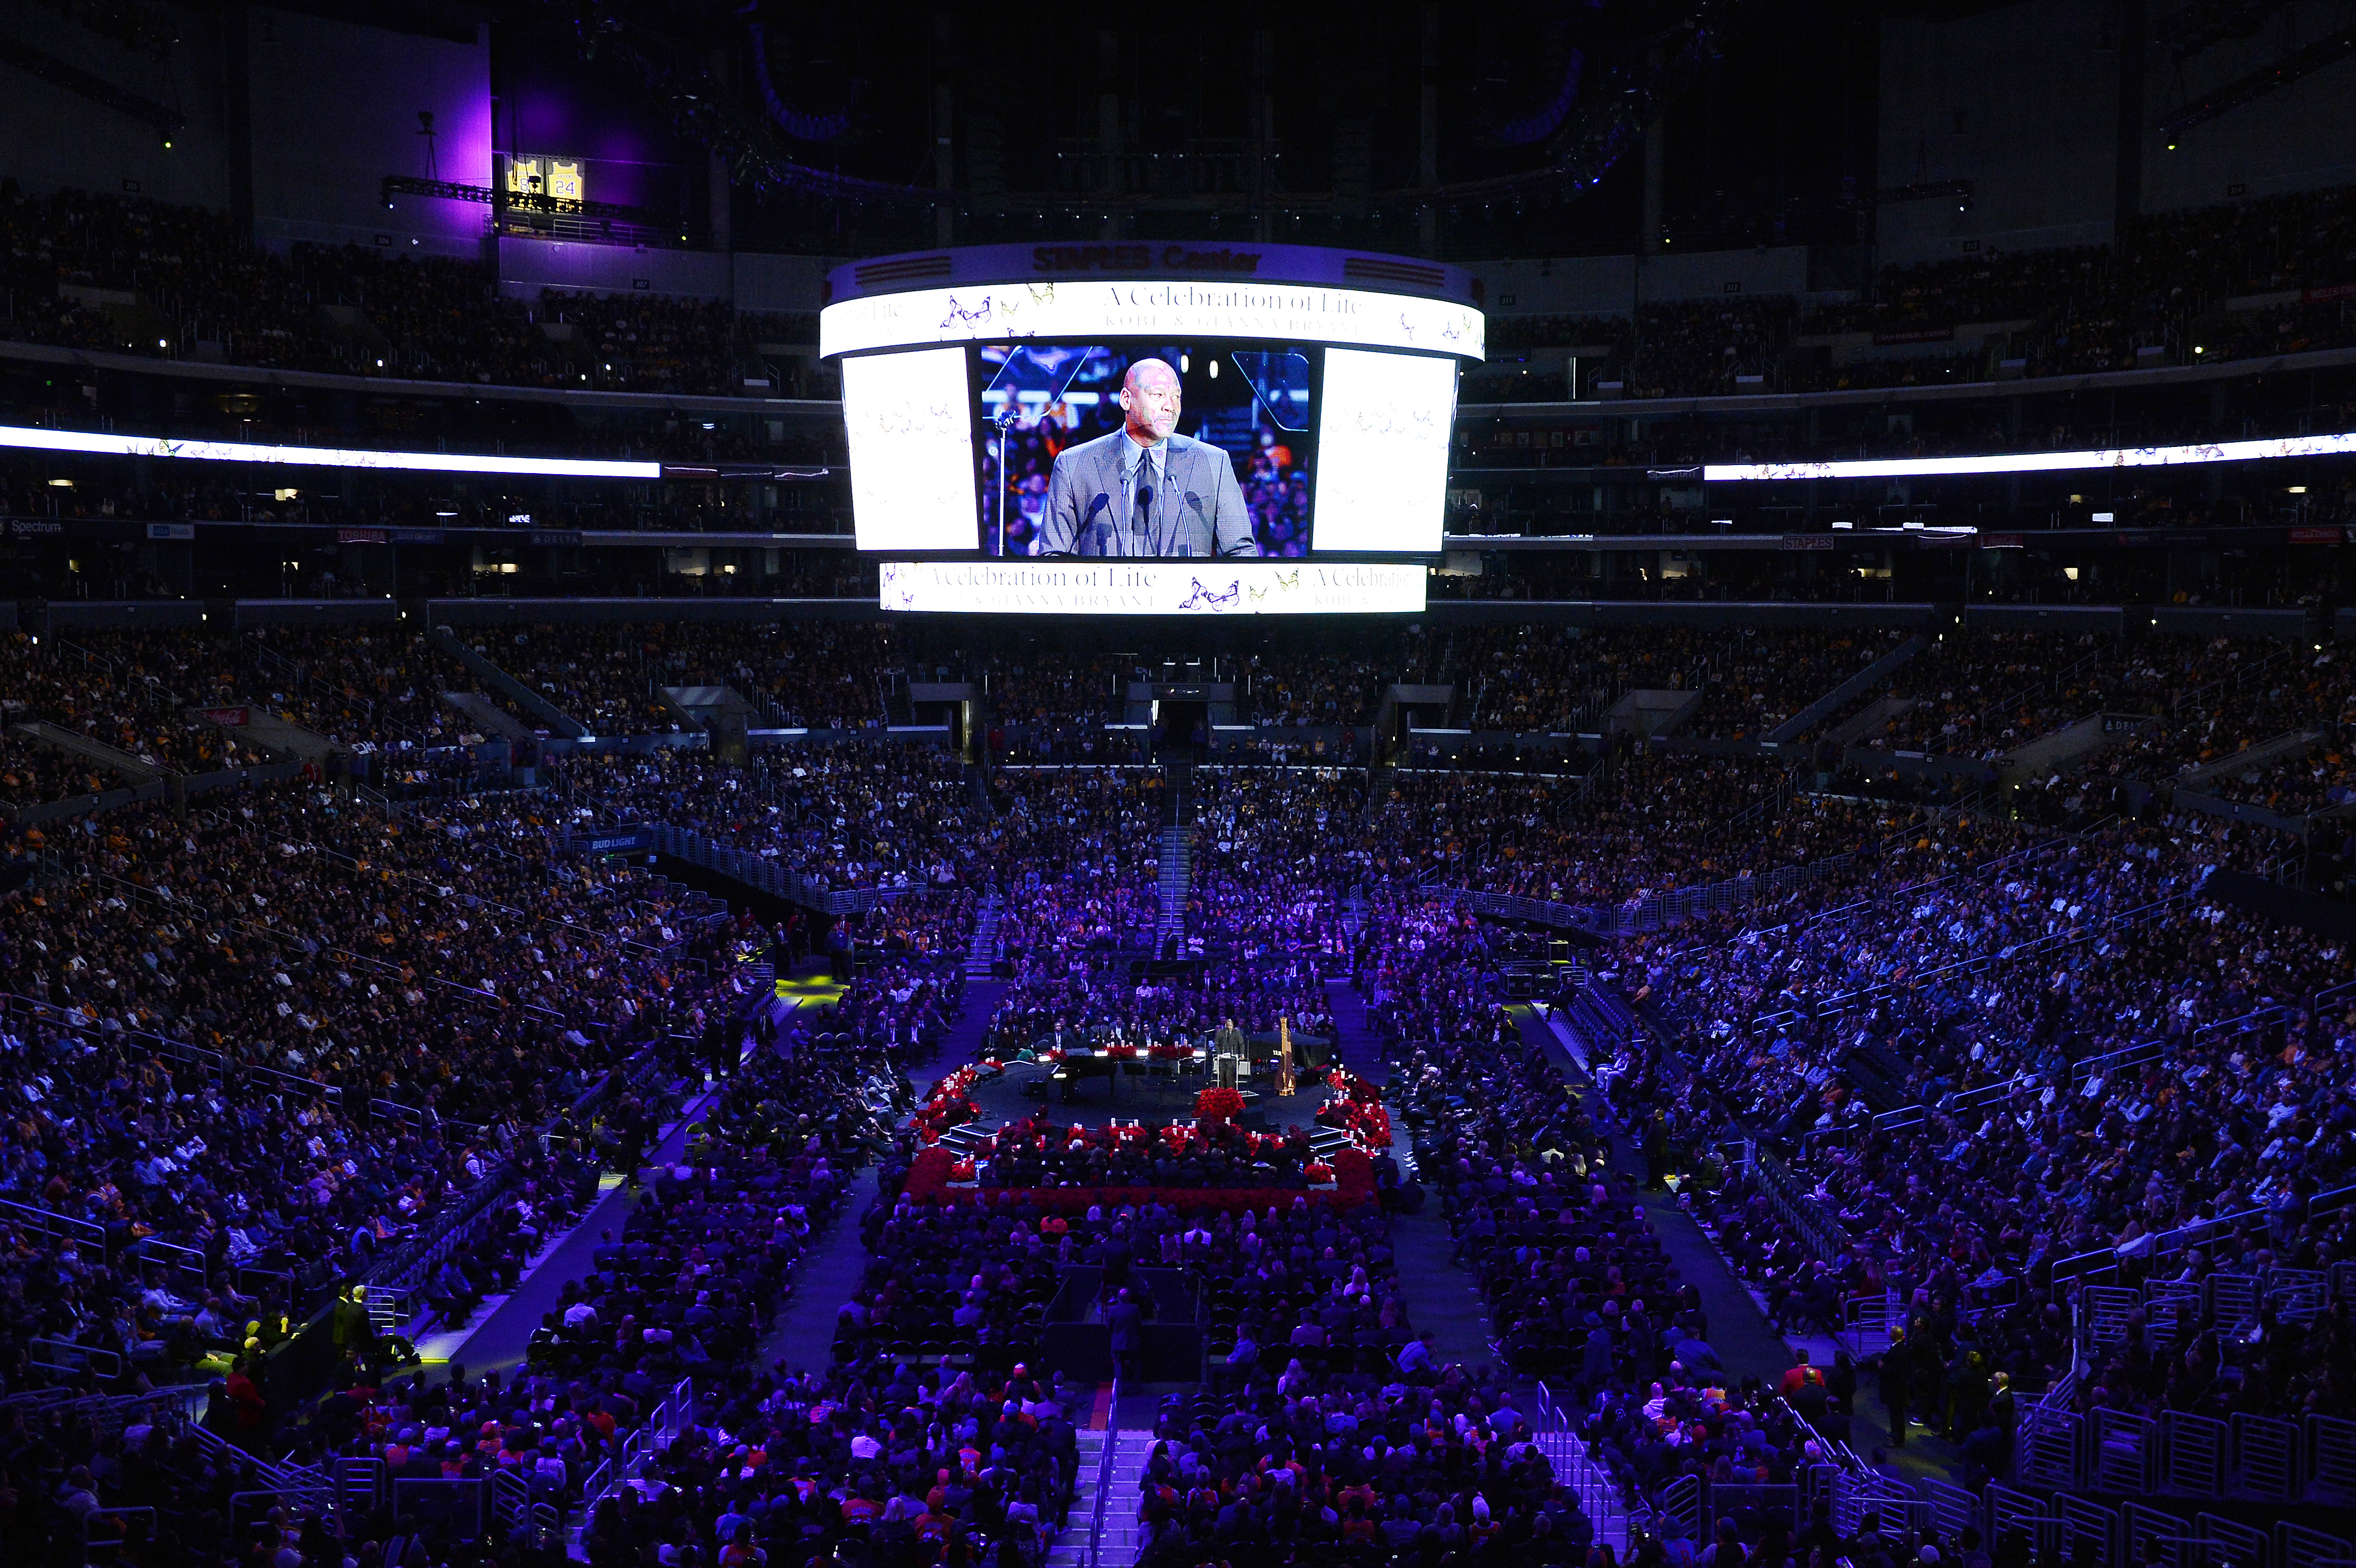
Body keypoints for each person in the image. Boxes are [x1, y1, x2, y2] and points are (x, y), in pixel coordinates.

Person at [1036, 359, 1260, 558]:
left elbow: (1241, 553)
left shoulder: (1214, 463)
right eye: (1158, 395)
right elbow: (1054, 556)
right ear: (1126, 400)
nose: (1170, 406)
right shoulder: (1074, 465)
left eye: (1176, 397)